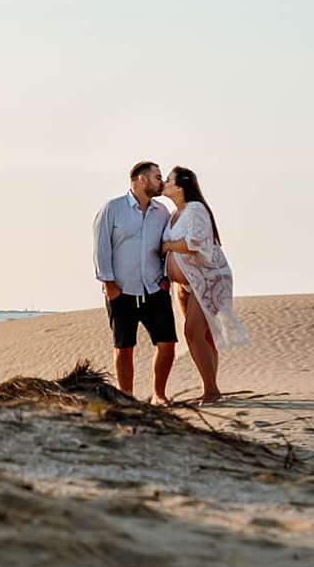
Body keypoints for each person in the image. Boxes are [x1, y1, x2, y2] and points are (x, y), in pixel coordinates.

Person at [159, 165, 252, 404]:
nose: (164, 183)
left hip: (207, 280)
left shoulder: (195, 209)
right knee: (204, 334)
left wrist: (169, 246)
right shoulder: (174, 215)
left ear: (179, 187)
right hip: (186, 284)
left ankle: (211, 391)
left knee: (193, 332)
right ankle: (211, 387)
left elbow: (196, 243)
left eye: (168, 180)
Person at [93, 160, 176, 402]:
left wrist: (164, 279)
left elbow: (166, 247)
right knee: (124, 347)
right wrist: (109, 284)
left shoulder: (162, 212)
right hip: (121, 291)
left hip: (154, 288)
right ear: (141, 179)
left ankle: (159, 395)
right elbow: (101, 248)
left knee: (167, 343)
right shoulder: (112, 208)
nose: (161, 182)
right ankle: (126, 397)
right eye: (157, 177)